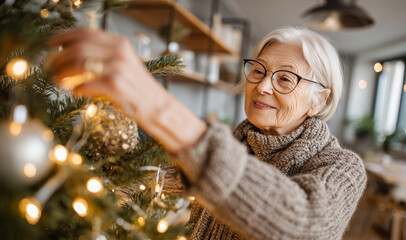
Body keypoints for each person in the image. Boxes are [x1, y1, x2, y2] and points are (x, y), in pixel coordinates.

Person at [49, 26, 367, 240]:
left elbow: (306, 226)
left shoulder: (343, 167)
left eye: (285, 79)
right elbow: (159, 178)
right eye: (258, 70)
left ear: (319, 100)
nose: (262, 86)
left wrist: (157, 106)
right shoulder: (237, 143)